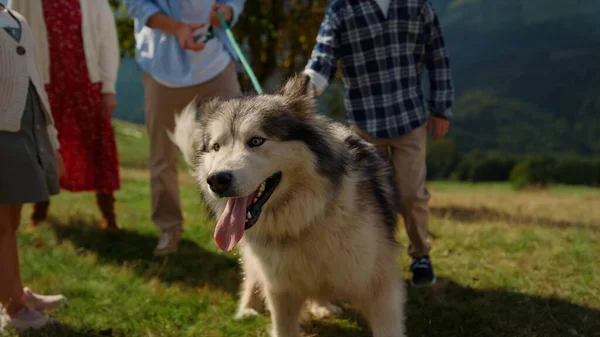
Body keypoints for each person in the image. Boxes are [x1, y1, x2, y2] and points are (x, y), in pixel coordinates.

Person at [303, 0, 455, 287]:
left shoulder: (418, 5)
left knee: (411, 195)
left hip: (409, 119)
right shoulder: (341, 10)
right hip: (364, 126)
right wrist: (303, 90)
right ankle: (376, 258)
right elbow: (323, 58)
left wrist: (441, 108)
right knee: (370, 199)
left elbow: (438, 56)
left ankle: (420, 255)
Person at [123, 0, 245, 255]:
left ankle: (241, 228)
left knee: (239, 151)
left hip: (216, 64)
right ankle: (170, 229)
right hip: (162, 69)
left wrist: (228, 11)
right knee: (162, 157)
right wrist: (176, 28)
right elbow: (135, 4)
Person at [8, 0, 121, 234]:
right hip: (45, 84)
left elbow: (107, 41)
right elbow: (12, 32)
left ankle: (108, 216)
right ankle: (38, 213)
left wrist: (108, 88)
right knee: (42, 148)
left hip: (88, 84)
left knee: (97, 149)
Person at [0, 3, 68, 331]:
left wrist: (51, 141)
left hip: (26, 130)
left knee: (9, 226)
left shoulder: (15, 18)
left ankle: (15, 294)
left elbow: (36, 83)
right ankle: (12, 310)